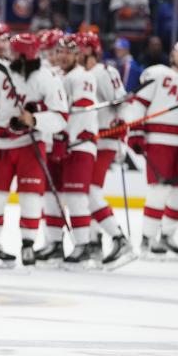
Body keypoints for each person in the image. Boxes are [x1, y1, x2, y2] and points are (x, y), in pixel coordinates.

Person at [0, 32, 68, 267]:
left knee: (30, 197)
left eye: (13, 52)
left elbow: (61, 117)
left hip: (31, 145)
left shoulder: (47, 78)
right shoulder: (1, 76)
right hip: (1, 144)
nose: (9, 55)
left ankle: (28, 244)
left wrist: (35, 120)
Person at [123, 41, 178, 258]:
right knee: (159, 190)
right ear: (172, 55)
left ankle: (167, 236)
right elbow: (138, 104)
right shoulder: (158, 74)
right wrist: (136, 133)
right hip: (160, 141)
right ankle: (147, 238)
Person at [77, 32, 135, 267]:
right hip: (88, 142)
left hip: (104, 141)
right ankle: (93, 242)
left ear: (91, 50)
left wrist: (122, 126)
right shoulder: (81, 75)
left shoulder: (105, 72)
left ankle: (119, 239)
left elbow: (122, 103)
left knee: (90, 192)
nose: (76, 54)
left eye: (80, 49)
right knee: (85, 192)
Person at [42, 34, 100, 267]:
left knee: (77, 198)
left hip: (78, 145)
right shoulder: (53, 76)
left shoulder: (83, 77)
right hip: (56, 144)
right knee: (51, 196)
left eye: (69, 52)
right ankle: (55, 245)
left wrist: (66, 137)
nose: (63, 56)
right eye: (60, 51)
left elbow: (81, 112)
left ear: (78, 55)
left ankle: (82, 246)